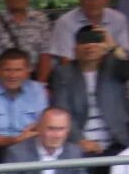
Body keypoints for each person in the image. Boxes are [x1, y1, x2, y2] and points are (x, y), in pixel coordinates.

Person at [48, 26, 129, 159]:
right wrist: (80, 141)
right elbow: (62, 111)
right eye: (84, 41)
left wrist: (114, 48)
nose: (90, 46)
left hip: (118, 143)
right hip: (82, 145)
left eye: (95, 41)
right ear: (75, 48)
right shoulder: (63, 73)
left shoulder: (114, 67)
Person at [46, 0, 129, 67]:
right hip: (78, 74)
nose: (93, 2)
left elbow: (126, 57)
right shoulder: (65, 22)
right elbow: (66, 62)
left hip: (114, 73)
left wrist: (112, 46)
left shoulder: (119, 19)